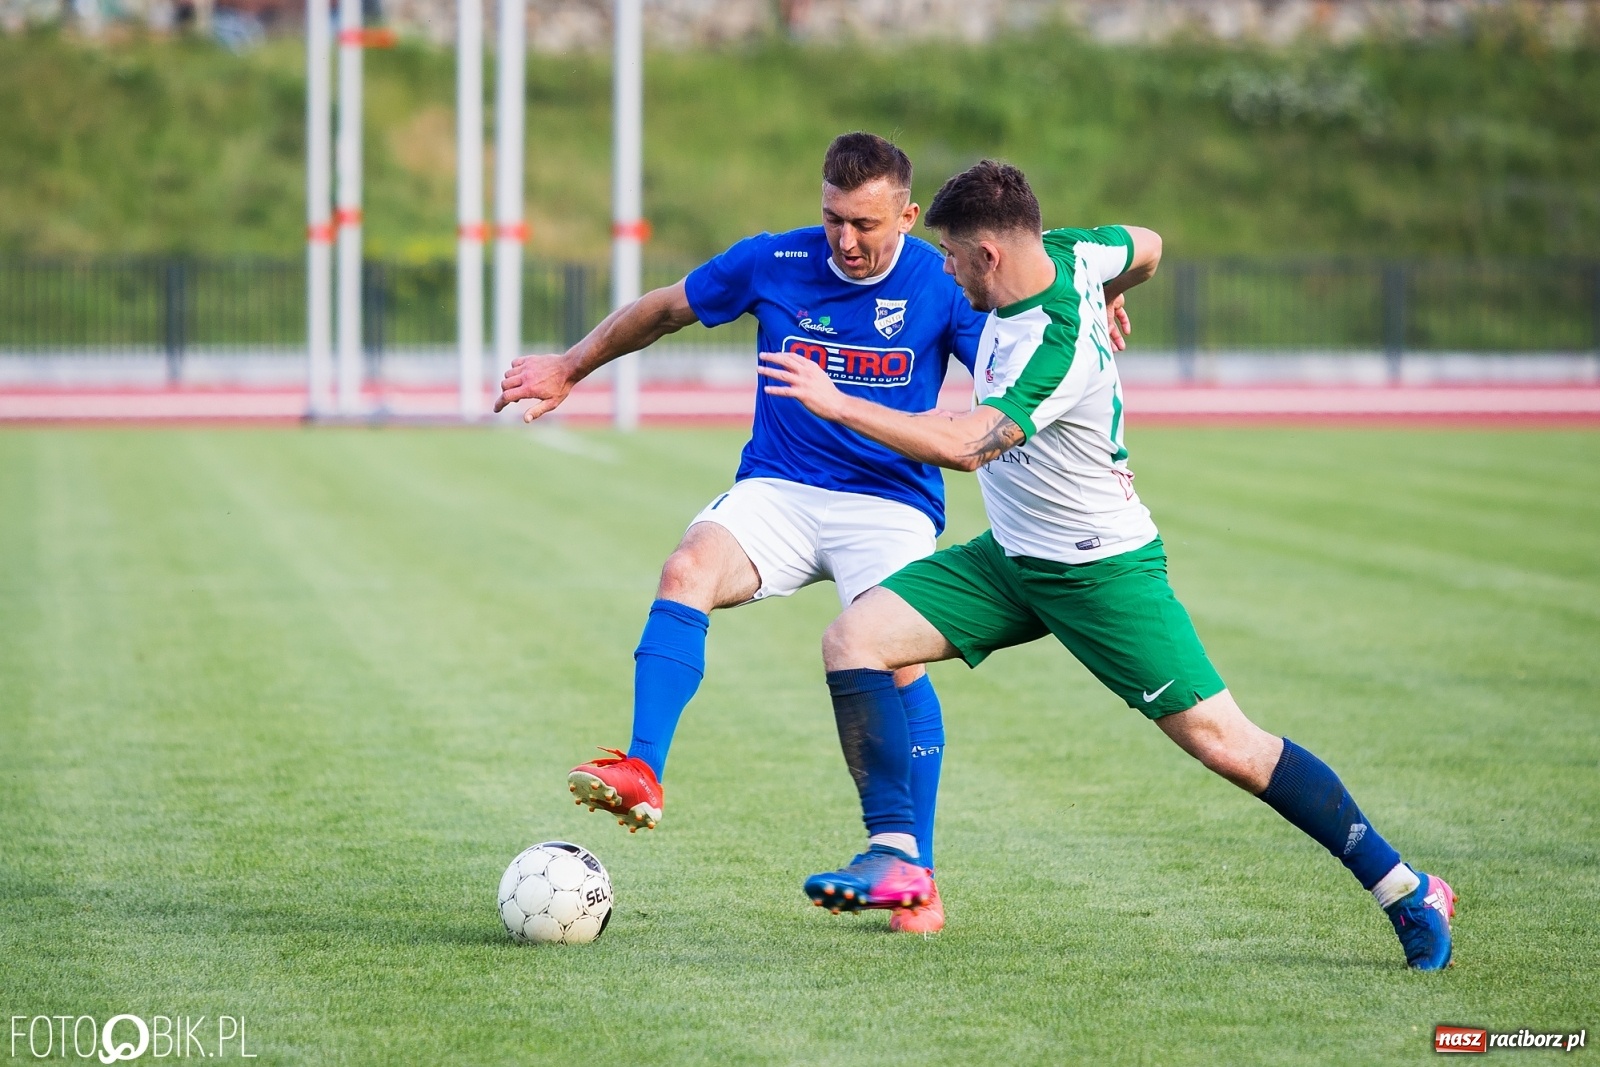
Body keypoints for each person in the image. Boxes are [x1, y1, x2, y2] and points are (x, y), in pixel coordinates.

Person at [756, 159, 1455, 967]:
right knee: (853, 640)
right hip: (1012, 558)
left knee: (1228, 743)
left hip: (1100, 572)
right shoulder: (1077, 251)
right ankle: (895, 854)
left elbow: (962, 445)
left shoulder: (1047, 349)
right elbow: (1149, 244)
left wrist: (837, 401)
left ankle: (1406, 886)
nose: (942, 270)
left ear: (988, 255)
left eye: (949, 255)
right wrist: (1119, 292)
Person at [498, 134, 1113, 933]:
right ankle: (644, 767)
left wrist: (1103, 293)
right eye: (832, 219)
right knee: (685, 568)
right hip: (779, 490)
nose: (846, 241)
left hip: (889, 501)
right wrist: (569, 368)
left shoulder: (943, 281)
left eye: (864, 224)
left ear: (908, 214)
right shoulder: (774, 259)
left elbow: (1023, 321)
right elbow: (663, 309)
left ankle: (912, 875)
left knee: (890, 661)